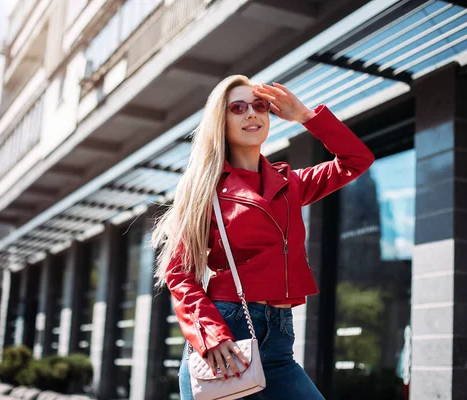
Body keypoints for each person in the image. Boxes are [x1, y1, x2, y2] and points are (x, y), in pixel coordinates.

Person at [152, 74, 375, 399]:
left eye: (259, 106)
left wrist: (305, 116)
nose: (252, 114)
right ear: (221, 121)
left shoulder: (290, 183)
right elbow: (179, 273)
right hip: (228, 334)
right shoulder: (205, 188)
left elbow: (356, 160)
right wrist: (211, 336)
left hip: (280, 337)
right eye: (238, 108)